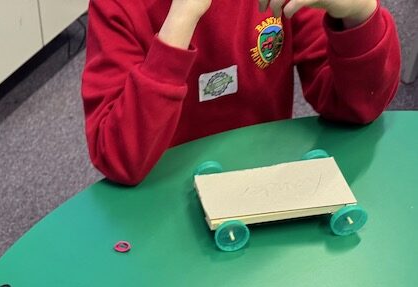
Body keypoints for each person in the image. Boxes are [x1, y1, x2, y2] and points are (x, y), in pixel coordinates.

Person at [83, 0, 401, 185]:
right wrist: (179, 22)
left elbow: (358, 105)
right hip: (162, 200)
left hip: (262, 188)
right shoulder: (120, 6)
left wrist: (359, 13)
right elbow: (117, 157)